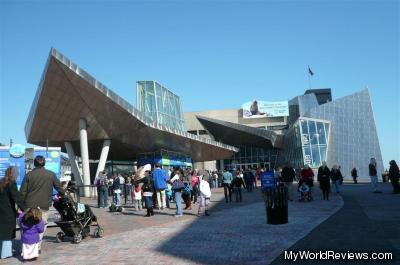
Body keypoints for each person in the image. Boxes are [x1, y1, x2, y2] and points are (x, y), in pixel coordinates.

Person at [20, 155, 64, 252]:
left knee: (27, 226)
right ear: (44, 163)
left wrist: (20, 205)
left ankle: (26, 246)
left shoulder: (29, 175)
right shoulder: (51, 174)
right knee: (41, 226)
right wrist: (63, 194)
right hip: (44, 205)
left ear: (34, 164)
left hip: (29, 206)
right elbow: (59, 188)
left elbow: (22, 192)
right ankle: (37, 246)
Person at [0, 166, 25, 259]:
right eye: (17, 173)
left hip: (1, 211)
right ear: (13, 174)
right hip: (8, 212)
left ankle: (2, 252)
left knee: (1, 232)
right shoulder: (11, 183)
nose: (17, 174)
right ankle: (6, 254)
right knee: (8, 233)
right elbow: (17, 197)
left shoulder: (1, 182)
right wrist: (25, 209)